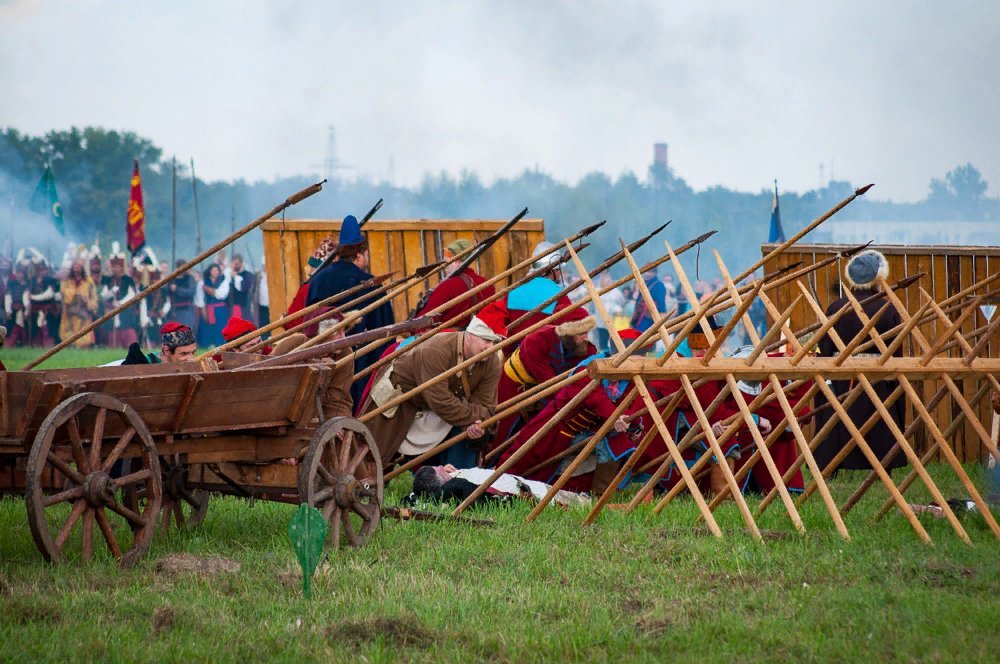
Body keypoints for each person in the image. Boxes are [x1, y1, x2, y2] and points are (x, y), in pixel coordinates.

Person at [359, 313, 503, 470]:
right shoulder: (435, 350)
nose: (490, 347)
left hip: (447, 409)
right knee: (374, 459)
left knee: (473, 433)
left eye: (494, 342)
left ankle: (456, 485)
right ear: (469, 336)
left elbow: (486, 406)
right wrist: (475, 417)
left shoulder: (492, 362)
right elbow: (440, 400)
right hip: (401, 397)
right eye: (486, 340)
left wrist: (476, 424)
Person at [814, 248, 906, 472]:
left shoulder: (837, 308)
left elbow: (825, 349)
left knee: (839, 418)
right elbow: (896, 352)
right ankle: (881, 464)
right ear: (878, 278)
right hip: (878, 381)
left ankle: (836, 464)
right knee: (878, 422)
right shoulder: (888, 309)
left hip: (841, 380)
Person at [306, 215, 394, 404]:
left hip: (325, 364)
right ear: (359, 255)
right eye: (367, 254)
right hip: (362, 368)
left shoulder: (318, 282)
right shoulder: (372, 286)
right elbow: (386, 338)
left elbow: (309, 327)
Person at [488, 314, 598, 457]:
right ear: (566, 334)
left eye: (587, 332)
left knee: (531, 437)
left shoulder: (585, 349)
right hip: (513, 386)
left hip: (548, 393)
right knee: (502, 432)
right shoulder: (536, 340)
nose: (586, 338)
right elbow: (548, 383)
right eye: (581, 333)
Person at [477, 240, 587, 355]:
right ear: (552, 271)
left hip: (513, 359)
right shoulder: (559, 296)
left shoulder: (515, 291)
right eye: (558, 269)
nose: (560, 273)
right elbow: (570, 332)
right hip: (544, 359)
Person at [414, 238, 495, 330]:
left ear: (456, 261)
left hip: (447, 341)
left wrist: (411, 330)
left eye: (446, 262)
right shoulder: (488, 285)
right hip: (480, 339)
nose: (444, 267)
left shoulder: (447, 286)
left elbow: (425, 320)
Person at [99, 243, 140, 348]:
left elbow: (131, 295)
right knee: (112, 329)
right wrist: (111, 293)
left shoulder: (128, 279)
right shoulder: (107, 279)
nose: (116, 269)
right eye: (115, 266)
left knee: (127, 330)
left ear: (122, 267)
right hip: (112, 309)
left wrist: (120, 303)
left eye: (118, 266)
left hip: (125, 310)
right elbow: (103, 294)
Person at [115, 321, 198, 365]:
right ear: (167, 351)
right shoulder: (146, 364)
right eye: (184, 354)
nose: (191, 359)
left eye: (193, 352)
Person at [58, 260, 98, 348]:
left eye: (78, 267)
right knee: (68, 340)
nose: (76, 269)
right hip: (70, 313)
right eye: (74, 267)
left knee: (84, 339)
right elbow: (63, 293)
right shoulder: (67, 281)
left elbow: (93, 297)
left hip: (83, 313)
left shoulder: (88, 281)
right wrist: (74, 294)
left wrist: (88, 302)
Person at [27, 256, 60, 347]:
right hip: (35, 309)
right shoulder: (32, 281)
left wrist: (33, 297)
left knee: (49, 328)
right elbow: (28, 292)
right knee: (35, 328)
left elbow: (48, 295)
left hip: (48, 309)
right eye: (40, 270)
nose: (42, 272)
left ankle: (50, 344)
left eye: (43, 270)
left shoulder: (50, 280)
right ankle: (35, 344)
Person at [197, 263, 231, 347]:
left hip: (220, 309)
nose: (215, 272)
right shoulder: (203, 282)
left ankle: (220, 344)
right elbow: (200, 298)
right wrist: (203, 310)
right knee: (207, 327)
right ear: (209, 271)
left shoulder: (224, 281)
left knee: (220, 327)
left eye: (217, 270)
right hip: (208, 308)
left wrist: (207, 289)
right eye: (213, 270)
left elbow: (221, 294)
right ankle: (208, 344)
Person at [630, 265, 667, 332]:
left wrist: (662, 316)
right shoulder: (644, 283)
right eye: (647, 271)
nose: (648, 274)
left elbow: (661, 302)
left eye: (651, 272)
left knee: (647, 337)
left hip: (651, 316)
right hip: (641, 315)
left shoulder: (659, 285)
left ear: (655, 273)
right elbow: (639, 299)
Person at [168, 259, 199, 333]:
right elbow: (168, 294)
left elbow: (191, 292)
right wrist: (170, 287)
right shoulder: (172, 279)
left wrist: (177, 289)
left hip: (187, 309)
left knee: (187, 329)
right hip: (175, 309)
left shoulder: (190, 278)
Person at [229, 254, 256, 323]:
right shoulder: (228, 275)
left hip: (244, 307)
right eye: (234, 263)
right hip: (231, 308)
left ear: (241, 264)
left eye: (237, 263)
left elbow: (243, 288)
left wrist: (236, 276)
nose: (235, 265)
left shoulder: (247, 275)